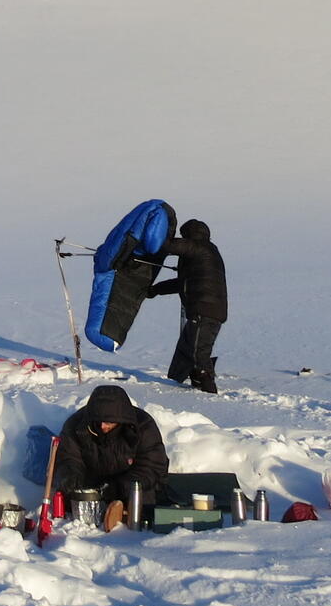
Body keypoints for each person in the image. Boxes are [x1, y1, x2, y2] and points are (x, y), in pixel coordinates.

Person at [50, 383, 169, 532]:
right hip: (94, 486)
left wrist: (119, 487)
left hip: (131, 486)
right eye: (98, 421)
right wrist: (70, 476)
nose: (102, 426)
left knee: (141, 496)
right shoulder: (77, 425)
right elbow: (68, 457)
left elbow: (152, 466)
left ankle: (129, 527)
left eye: (109, 422)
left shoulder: (143, 426)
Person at [150, 217, 227, 393]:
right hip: (209, 310)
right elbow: (182, 283)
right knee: (188, 348)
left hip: (204, 310)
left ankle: (209, 391)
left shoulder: (199, 247)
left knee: (198, 352)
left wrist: (156, 236)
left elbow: (169, 246)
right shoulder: (204, 253)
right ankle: (193, 382)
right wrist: (155, 290)